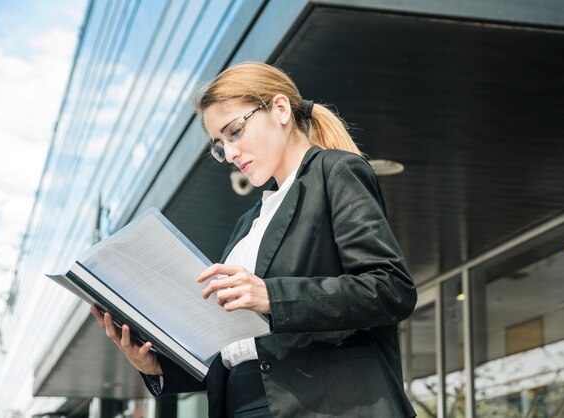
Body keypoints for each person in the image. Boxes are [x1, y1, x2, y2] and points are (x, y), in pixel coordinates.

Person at [92, 61, 417, 417]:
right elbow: (235, 349)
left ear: (279, 109)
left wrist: (272, 296)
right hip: (241, 402)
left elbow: (390, 289)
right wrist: (155, 366)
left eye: (234, 132)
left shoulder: (334, 173)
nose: (229, 153)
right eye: (220, 145)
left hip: (323, 404)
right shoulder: (248, 224)